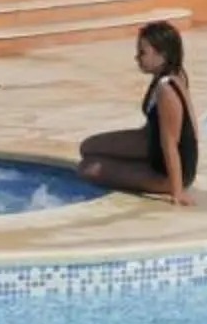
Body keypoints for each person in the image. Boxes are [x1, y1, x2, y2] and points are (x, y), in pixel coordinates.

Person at [78, 20, 198, 204]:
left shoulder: (167, 89)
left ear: (162, 55)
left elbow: (170, 143)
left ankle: (165, 180)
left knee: (87, 168)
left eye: (143, 52)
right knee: (87, 147)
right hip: (151, 144)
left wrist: (177, 191)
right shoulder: (171, 75)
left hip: (166, 172)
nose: (137, 57)